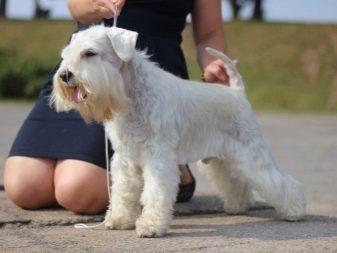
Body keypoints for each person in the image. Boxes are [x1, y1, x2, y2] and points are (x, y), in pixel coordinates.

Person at [4, 0, 229, 214]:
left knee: (77, 189)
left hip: (148, 71)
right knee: (24, 186)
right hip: (83, 60)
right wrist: (93, 6)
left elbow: (209, 33)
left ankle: (170, 164)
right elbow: (76, 6)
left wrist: (213, 68)